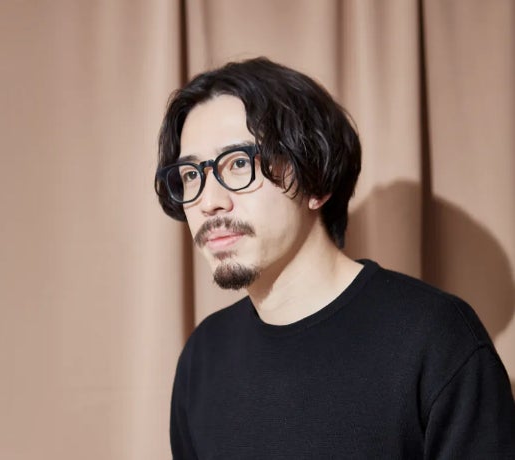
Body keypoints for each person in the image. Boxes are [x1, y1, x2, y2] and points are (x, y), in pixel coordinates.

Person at [155, 57, 515, 459]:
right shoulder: (204, 357)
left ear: (316, 182)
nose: (208, 202)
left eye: (239, 163)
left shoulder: (435, 338)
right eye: (191, 175)